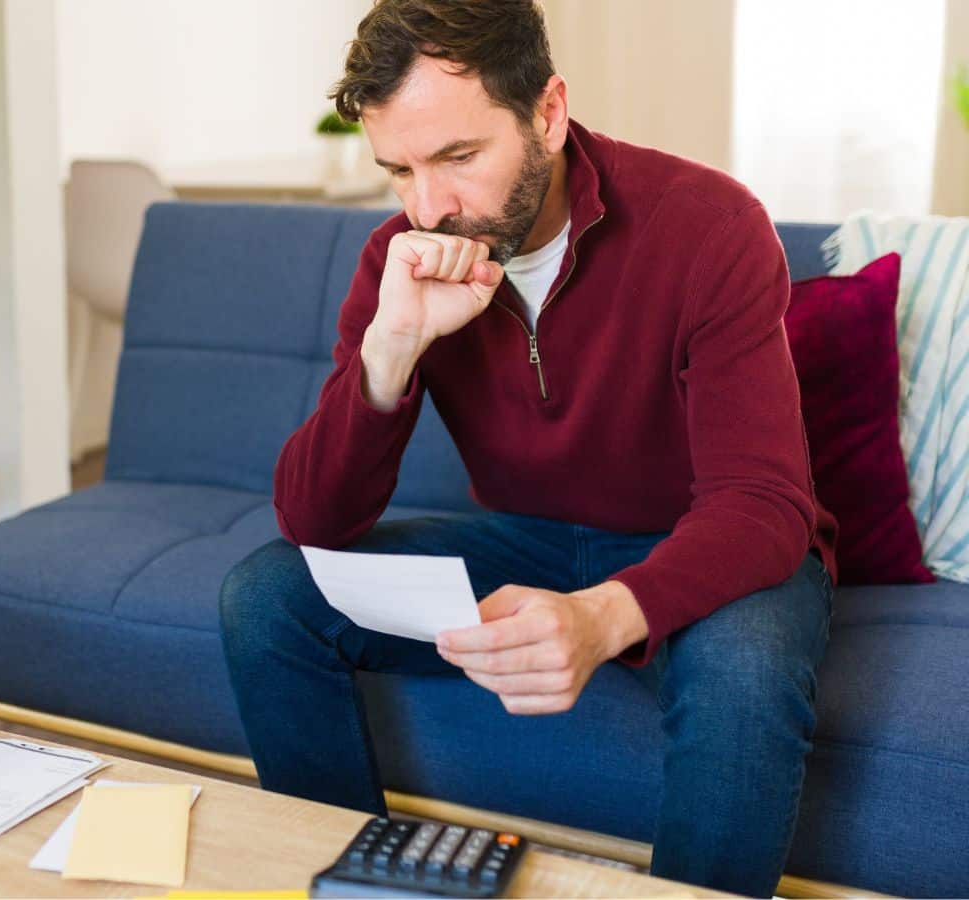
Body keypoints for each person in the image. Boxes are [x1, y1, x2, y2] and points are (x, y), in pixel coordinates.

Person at [217, 1, 838, 896]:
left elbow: (764, 503)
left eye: (458, 157)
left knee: (746, 665)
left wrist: (603, 616)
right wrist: (390, 353)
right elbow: (315, 518)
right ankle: (360, 882)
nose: (428, 206)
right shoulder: (403, 258)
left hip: (709, 543)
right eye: (398, 169)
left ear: (546, 112)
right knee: (267, 594)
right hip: (534, 540)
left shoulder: (708, 224)